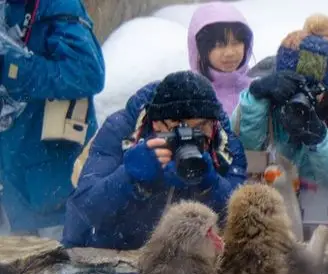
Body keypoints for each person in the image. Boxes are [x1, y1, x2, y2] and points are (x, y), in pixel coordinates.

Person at [62, 71, 248, 250]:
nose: (190, 136)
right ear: (157, 124)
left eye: (200, 127)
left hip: (187, 258)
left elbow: (240, 223)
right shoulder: (121, 130)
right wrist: (129, 178)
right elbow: (83, 210)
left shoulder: (225, 146)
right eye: (179, 127)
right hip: (111, 250)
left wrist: (210, 185)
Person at [236, 14, 328, 233]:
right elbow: (245, 151)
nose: (304, 95)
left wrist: (318, 137)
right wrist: (257, 97)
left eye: (314, 89)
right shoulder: (269, 94)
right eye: (297, 85)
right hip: (269, 220)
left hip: (326, 225)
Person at [0, 0, 104, 238]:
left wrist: (11, 68)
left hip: (52, 182)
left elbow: (87, 73)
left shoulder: (57, 5)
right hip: (11, 184)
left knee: (62, 258)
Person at [187, 2, 254, 116]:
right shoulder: (188, 96)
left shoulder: (257, 91)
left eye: (236, 43)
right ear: (199, 49)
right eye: (219, 45)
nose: (229, 53)